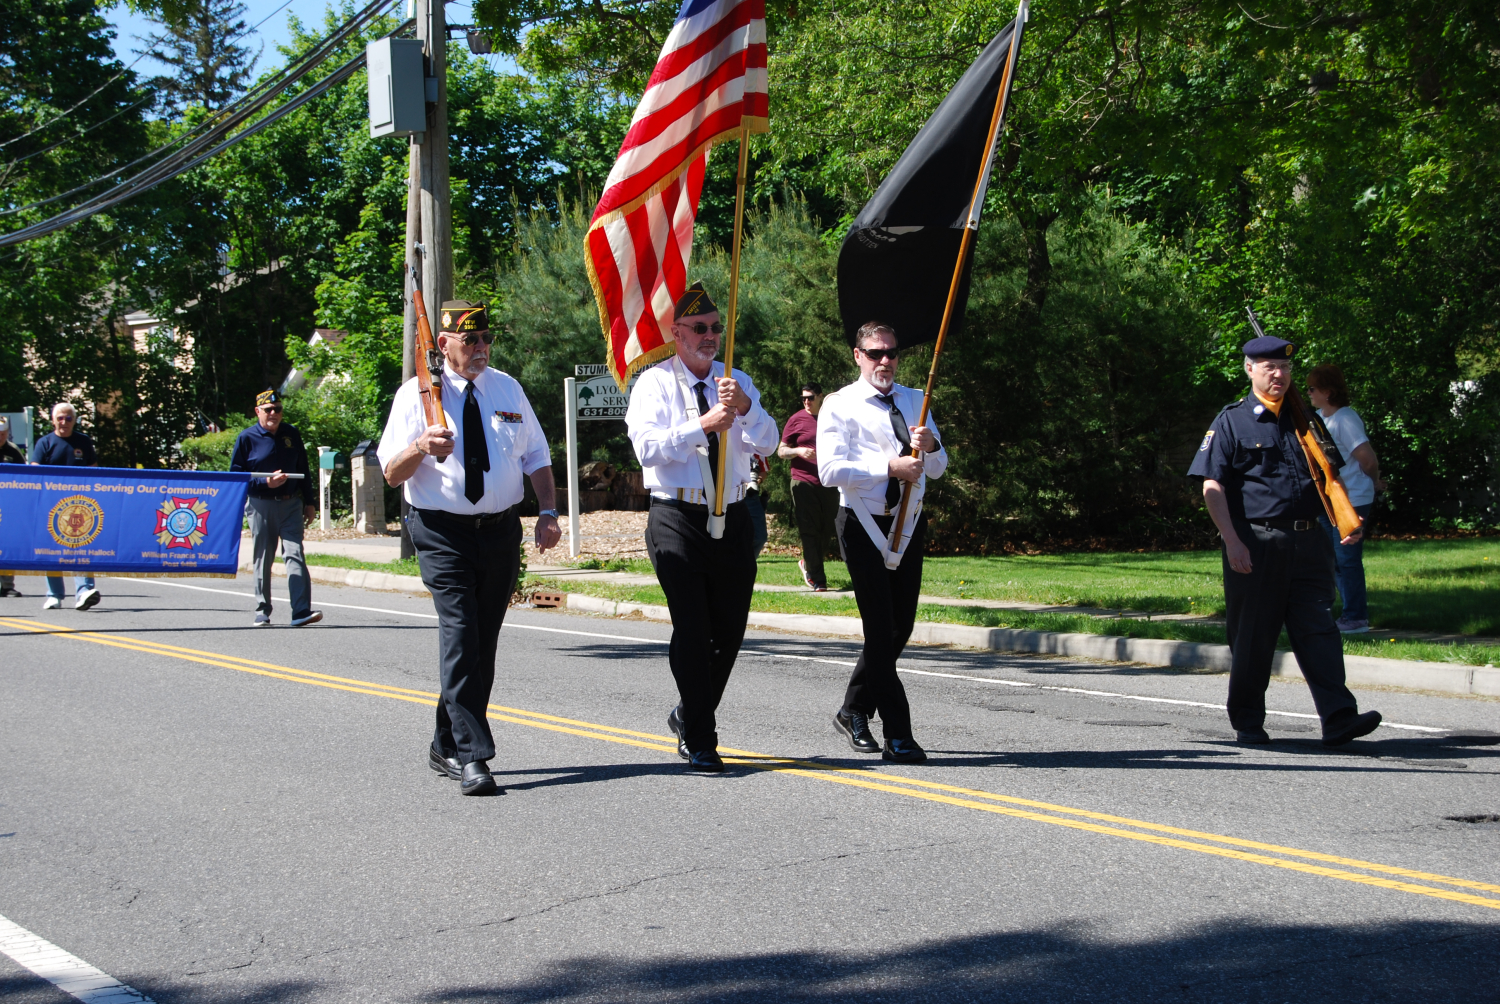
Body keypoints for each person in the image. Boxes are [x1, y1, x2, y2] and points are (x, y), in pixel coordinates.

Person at [378, 299, 562, 796]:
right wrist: (420, 447)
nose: (481, 347)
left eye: (486, 338)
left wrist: (548, 512)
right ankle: (472, 755)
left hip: (499, 530)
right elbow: (391, 472)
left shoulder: (507, 388)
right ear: (443, 344)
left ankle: (445, 742)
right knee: (461, 633)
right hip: (442, 533)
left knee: (482, 642)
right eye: (470, 339)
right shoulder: (417, 395)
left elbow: (536, 454)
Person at [1187, 334, 1382, 747]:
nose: (1279, 374)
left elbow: (1329, 475)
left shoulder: (1306, 420)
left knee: (1319, 631)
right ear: (1250, 369)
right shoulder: (1232, 421)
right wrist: (1232, 540)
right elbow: (1212, 486)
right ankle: (1248, 721)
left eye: (1286, 367)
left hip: (1310, 542)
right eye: (1270, 367)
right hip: (1257, 543)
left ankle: (1339, 718)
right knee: (1253, 636)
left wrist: (1345, 519)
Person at [626, 281, 780, 772]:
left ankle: (688, 711)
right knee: (693, 629)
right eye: (699, 328)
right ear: (677, 333)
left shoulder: (737, 381)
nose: (710, 336)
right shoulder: (654, 384)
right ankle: (701, 738)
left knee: (728, 632)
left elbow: (770, 443)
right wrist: (703, 425)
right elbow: (647, 449)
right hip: (677, 515)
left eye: (715, 327)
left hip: (732, 514)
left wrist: (746, 409)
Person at [817, 322, 947, 764]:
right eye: (875, 353)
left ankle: (853, 708)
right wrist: (889, 467)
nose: (885, 361)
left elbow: (938, 468)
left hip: (907, 523)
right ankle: (899, 734)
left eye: (891, 352)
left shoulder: (916, 399)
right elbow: (829, 471)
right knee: (878, 627)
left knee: (898, 628)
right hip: (861, 523)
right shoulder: (839, 404)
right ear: (858, 356)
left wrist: (931, 446)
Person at [230, 390, 321, 628]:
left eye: (277, 409)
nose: (273, 414)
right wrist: (265, 482)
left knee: (295, 554)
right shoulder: (247, 438)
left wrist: (309, 502)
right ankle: (262, 610)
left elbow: (303, 468)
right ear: (257, 411)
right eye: (268, 410)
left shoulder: (291, 433)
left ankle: (300, 611)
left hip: (291, 504)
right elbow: (236, 477)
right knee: (263, 557)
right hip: (261, 505)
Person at [1306, 364, 1384, 634]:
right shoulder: (1318, 418)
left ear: (1328, 392)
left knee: (1347, 559)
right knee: (1333, 560)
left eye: (1312, 389)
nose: (1308, 393)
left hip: (1352, 498)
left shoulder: (1345, 419)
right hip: (1329, 497)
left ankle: (1356, 617)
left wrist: (1374, 482)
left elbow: (1368, 459)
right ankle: (1348, 613)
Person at [30, 403, 101, 611]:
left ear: (74, 420)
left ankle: (84, 591)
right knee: (51, 549)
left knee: (81, 546)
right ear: (53, 420)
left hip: (79, 505)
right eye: (60, 418)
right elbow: (34, 472)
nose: (64, 422)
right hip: (51, 505)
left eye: (69, 418)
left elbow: (94, 471)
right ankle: (54, 595)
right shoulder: (45, 443)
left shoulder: (83, 442)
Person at [779, 382, 840, 591]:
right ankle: (817, 578)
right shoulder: (796, 419)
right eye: (803, 398)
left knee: (827, 527)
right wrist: (798, 451)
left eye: (810, 397)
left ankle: (807, 563)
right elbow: (781, 451)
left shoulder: (831, 417)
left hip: (829, 480)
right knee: (809, 529)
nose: (806, 401)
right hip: (802, 480)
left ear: (820, 396)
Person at [0, 417, 24, 598]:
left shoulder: (13, 451)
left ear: (8, 433)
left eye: (3, 434)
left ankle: (7, 585)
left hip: (7, 504)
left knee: (6, 544)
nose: (0, 437)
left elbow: (25, 476)